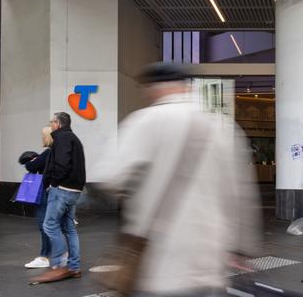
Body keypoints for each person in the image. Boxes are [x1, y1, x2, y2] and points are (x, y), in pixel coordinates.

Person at [97, 62, 261, 296]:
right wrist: (240, 247)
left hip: (160, 258)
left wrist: (138, 192)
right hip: (209, 256)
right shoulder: (222, 127)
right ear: (186, 86)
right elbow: (241, 194)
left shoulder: (144, 121)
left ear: (155, 88)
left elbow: (110, 177)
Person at [31, 112, 86, 283]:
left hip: (61, 189)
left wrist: (53, 183)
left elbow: (61, 164)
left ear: (58, 123)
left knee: (49, 225)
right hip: (74, 190)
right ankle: (74, 267)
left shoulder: (62, 138)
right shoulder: (74, 139)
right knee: (69, 228)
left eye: (52, 122)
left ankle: (59, 265)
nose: (51, 125)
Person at [22, 126, 55, 269]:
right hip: (56, 191)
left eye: (43, 135)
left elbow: (30, 166)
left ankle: (44, 256)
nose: (41, 137)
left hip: (45, 192)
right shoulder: (58, 152)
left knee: (44, 224)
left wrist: (33, 159)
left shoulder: (48, 152)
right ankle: (62, 254)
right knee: (58, 226)